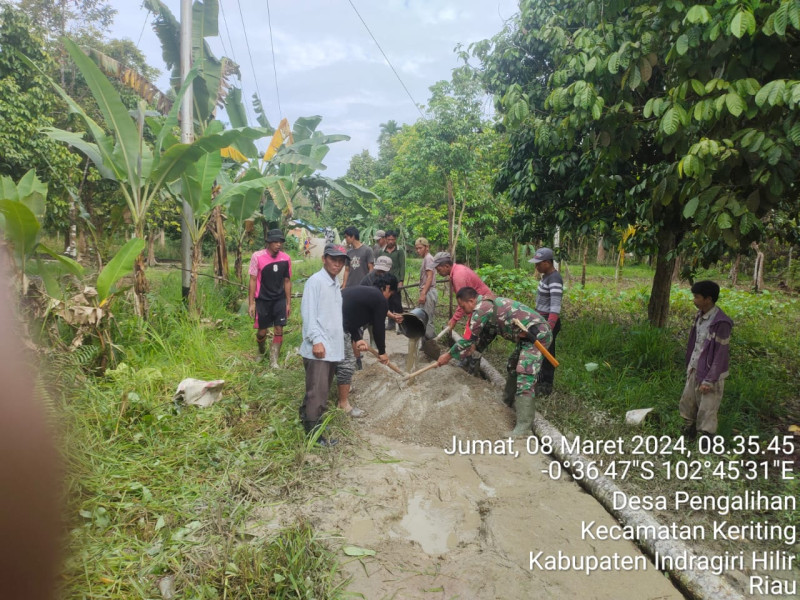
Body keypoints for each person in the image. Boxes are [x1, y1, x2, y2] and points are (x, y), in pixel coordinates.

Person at [436, 287, 552, 436]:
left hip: (538, 335)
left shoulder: (481, 309)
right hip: (526, 337)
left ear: (471, 301)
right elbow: (485, 336)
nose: (464, 312)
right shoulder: (488, 306)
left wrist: (448, 355)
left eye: (464, 307)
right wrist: (472, 351)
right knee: (512, 365)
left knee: (524, 374)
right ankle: (507, 400)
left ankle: (524, 427)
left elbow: (467, 340)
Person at [299, 243, 348, 447]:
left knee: (320, 389)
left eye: (341, 261)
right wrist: (316, 340)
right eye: (333, 259)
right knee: (317, 393)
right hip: (319, 347)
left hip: (330, 348)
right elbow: (308, 314)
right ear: (324, 259)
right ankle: (314, 434)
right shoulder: (316, 282)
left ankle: (309, 419)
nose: (337, 264)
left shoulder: (334, 283)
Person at [679, 280, 733, 441]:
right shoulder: (700, 316)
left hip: (711, 374)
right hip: (695, 368)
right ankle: (688, 437)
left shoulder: (721, 323)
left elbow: (720, 355)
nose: (694, 300)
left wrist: (709, 380)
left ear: (708, 299)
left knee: (707, 410)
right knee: (688, 405)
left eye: (696, 297)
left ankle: (706, 444)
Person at [337, 274, 397, 416]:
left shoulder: (366, 293)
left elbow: (350, 317)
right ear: (387, 288)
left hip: (331, 322)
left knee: (336, 360)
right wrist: (382, 352)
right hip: (337, 326)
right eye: (391, 293)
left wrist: (357, 338)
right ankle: (343, 404)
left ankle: (337, 389)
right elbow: (378, 328)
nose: (389, 297)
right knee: (347, 363)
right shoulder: (380, 299)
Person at [248, 229, 292, 368]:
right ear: (269, 242)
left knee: (279, 330)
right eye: (275, 242)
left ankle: (274, 361)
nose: (278, 244)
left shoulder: (286, 259)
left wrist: (288, 303)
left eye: (280, 242)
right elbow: (253, 280)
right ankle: (261, 352)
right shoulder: (257, 256)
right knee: (262, 331)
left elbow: (287, 281)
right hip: (263, 300)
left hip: (279, 300)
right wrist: (251, 303)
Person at [433, 252, 496, 337]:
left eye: (439, 270)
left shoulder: (458, 276)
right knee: (473, 335)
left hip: (483, 305)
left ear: (447, 266)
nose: (438, 272)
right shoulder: (457, 270)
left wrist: (454, 320)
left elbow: (463, 302)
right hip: (477, 304)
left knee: (470, 335)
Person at [530, 247, 562, 395]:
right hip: (541, 320)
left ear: (548, 263)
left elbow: (555, 306)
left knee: (547, 352)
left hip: (548, 322)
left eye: (539, 263)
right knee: (541, 351)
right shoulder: (546, 277)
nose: (536, 266)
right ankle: (540, 380)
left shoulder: (554, 279)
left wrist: (549, 327)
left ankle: (546, 385)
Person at [377, 231, 406, 328]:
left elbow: (402, 266)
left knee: (397, 302)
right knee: (387, 302)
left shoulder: (399, 250)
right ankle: (391, 322)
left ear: (395, 239)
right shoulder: (382, 251)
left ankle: (401, 324)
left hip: (396, 281)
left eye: (392, 239)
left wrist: (401, 280)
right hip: (385, 281)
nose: (390, 241)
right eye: (389, 239)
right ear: (385, 239)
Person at [414, 237, 437, 339]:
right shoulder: (427, 258)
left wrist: (423, 293)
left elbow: (430, 277)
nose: (418, 250)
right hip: (427, 290)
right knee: (423, 318)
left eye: (420, 248)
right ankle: (426, 343)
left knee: (427, 319)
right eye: (417, 248)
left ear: (427, 247)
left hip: (428, 291)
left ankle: (430, 343)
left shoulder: (428, 258)